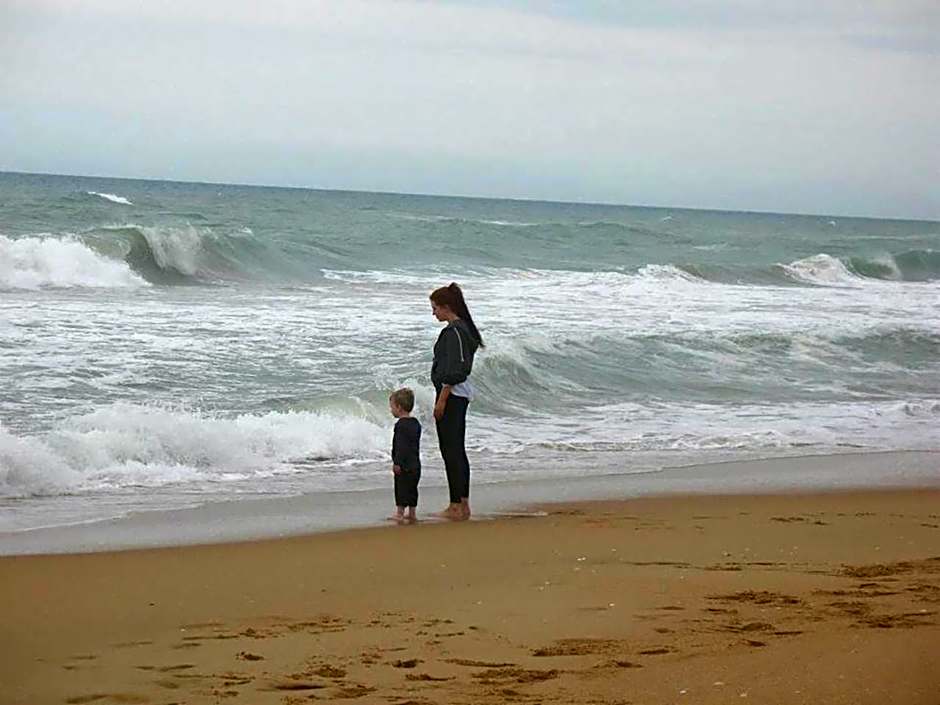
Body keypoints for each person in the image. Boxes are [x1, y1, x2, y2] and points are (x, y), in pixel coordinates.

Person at [429, 282, 483, 521]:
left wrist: (442, 399)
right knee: (454, 450)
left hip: (453, 396)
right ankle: (461, 503)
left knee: (452, 450)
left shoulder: (455, 332)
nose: (433, 313)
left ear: (446, 307)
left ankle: (457, 505)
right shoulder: (462, 330)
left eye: (435, 308)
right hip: (455, 395)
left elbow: (456, 370)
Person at [389, 387, 421, 524]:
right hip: (415, 464)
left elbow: (400, 446)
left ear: (399, 407)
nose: (391, 410)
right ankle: (412, 513)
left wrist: (397, 462)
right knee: (413, 488)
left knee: (401, 488)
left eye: (392, 407)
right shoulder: (416, 423)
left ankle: (400, 513)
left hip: (404, 465)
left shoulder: (400, 425)